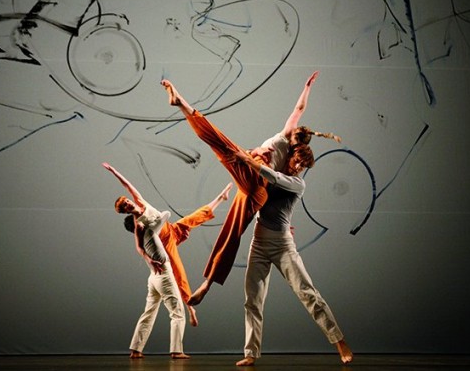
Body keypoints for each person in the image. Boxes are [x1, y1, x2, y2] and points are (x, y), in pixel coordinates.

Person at [161, 72, 340, 305]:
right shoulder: (286, 135)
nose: (292, 143)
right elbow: (298, 110)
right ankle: (182, 105)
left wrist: (282, 222)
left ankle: (207, 284)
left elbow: (283, 191)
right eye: (293, 138)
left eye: (297, 148)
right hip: (248, 171)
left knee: (232, 232)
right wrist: (307, 87)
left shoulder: (291, 165)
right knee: (221, 143)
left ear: (300, 149)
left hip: (258, 184)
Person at [230, 137, 353, 366]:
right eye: (296, 161)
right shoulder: (275, 166)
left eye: (302, 167)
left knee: (308, 293)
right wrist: (248, 155)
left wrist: (248, 159)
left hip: (282, 245)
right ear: (291, 156)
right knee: (252, 300)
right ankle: (250, 352)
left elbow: (273, 177)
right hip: (258, 242)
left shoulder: (297, 184)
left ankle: (340, 342)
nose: (298, 168)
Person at [102, 162, 189, 359]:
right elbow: (139, 248)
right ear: (126, 211)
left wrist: (114, 171)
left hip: (154, 278)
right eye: (125, 206)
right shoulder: (139, 225)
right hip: (161, 273)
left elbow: (128, 185)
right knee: (177, 312)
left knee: (149, 312)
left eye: (127, 201)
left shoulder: (141, 201)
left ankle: (135, 350)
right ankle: (177, 351)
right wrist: (150, 261)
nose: (128, 204)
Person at [122, 182, 234, 327]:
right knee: (179, 275)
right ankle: (190, 308)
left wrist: (114, 172)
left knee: (194, 217)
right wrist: (149, 259)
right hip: (168, 242)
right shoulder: (143, 233)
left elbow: (132, 190)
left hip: (172, 230)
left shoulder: (142, 212)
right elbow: (146, 248)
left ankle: (220, 198)